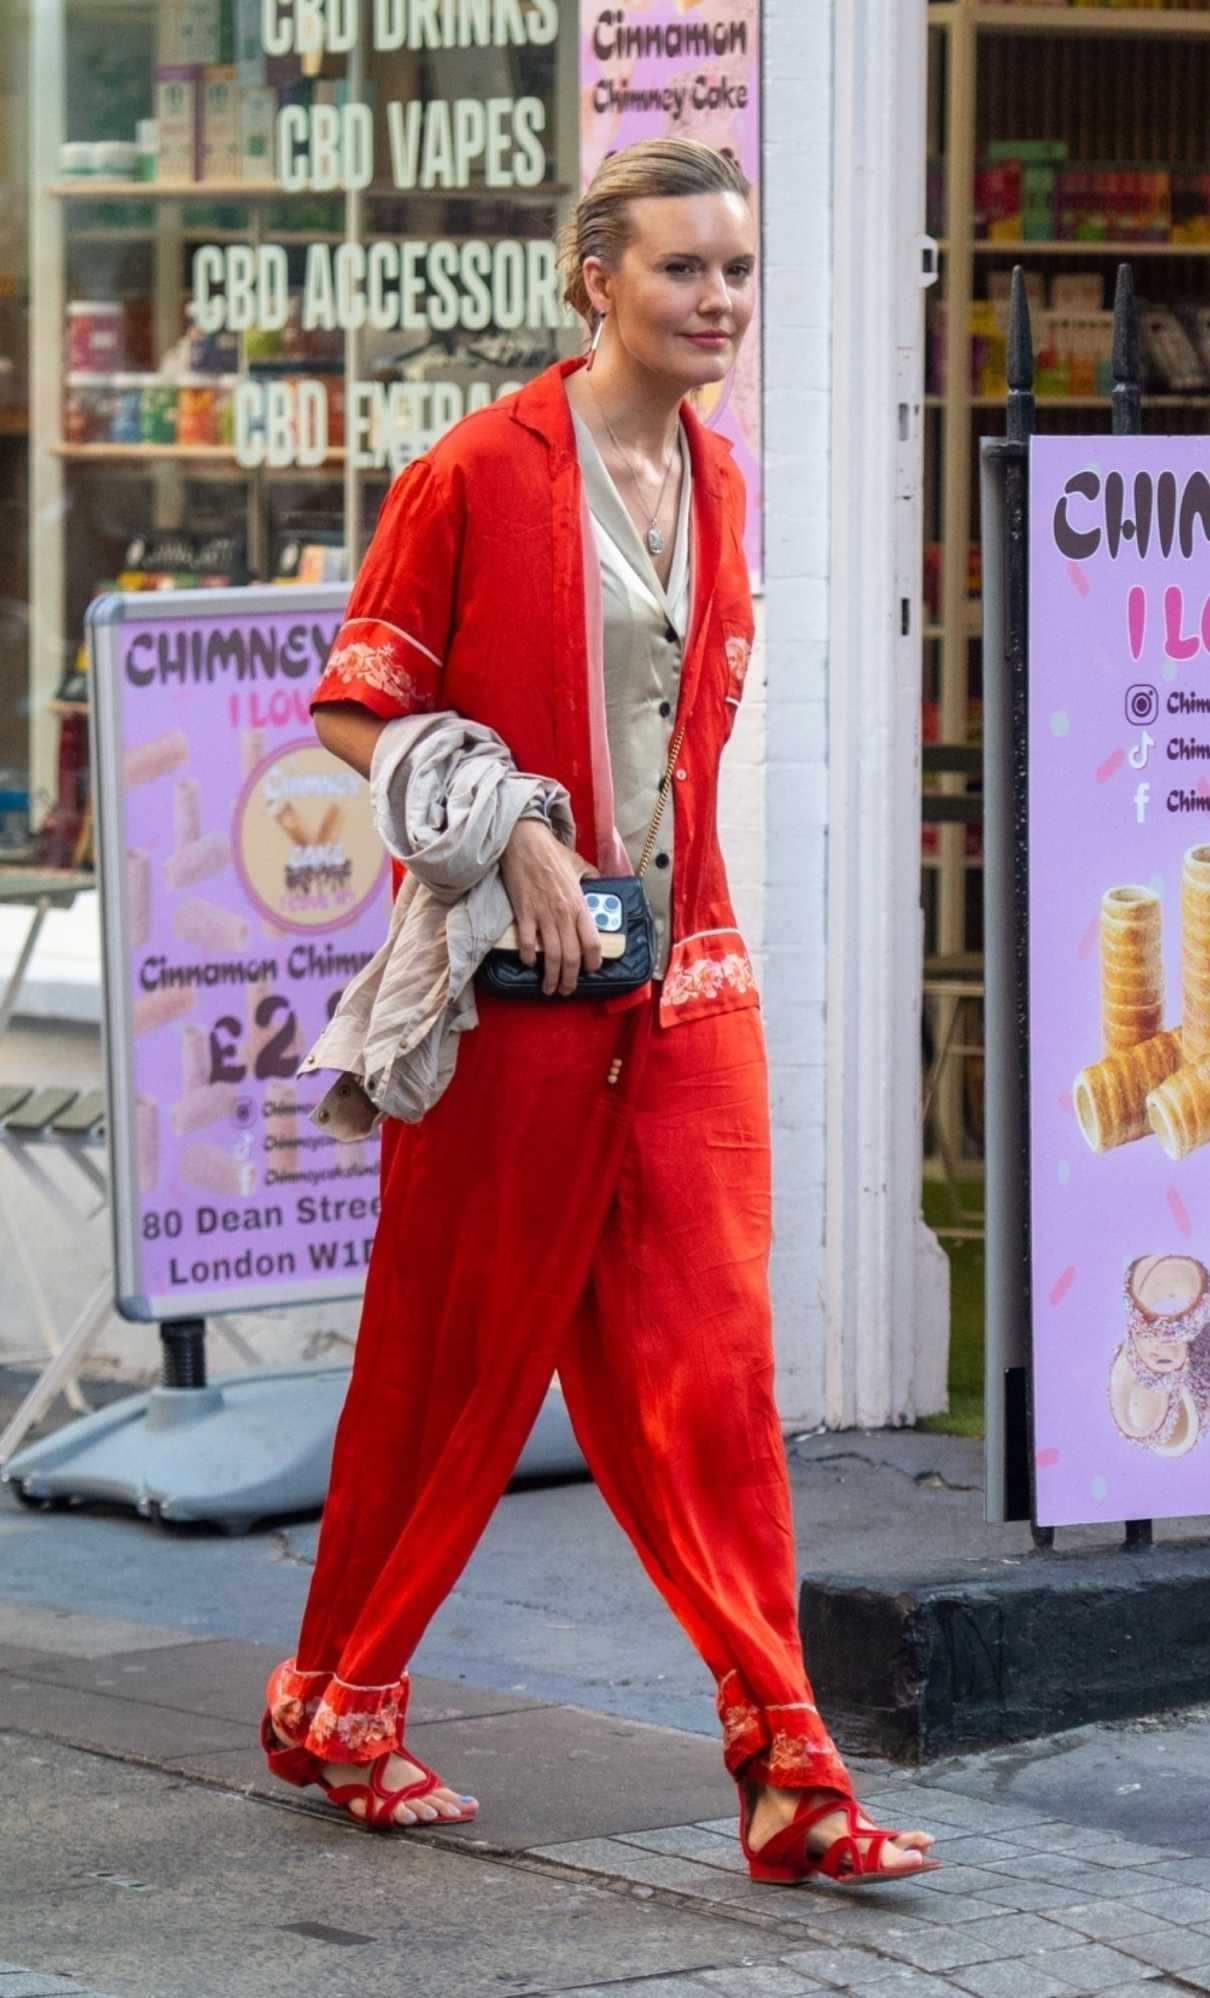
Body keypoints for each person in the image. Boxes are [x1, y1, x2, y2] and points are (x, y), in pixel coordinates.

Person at [261, 137, 938, 1887]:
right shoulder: (475, 473)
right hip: (513, 998)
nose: (717, 302)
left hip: (690, 978)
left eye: (733, 273)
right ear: (595, 283)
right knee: (447, 1356)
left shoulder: (720, 474)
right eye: (681, 271)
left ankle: (791, 1770)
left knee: (713, 1380)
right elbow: (354, 702)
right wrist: (510, 822)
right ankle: (338, 1700)